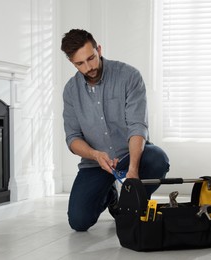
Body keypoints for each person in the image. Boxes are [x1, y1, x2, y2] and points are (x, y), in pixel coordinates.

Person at [61, 29, 170, 232]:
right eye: (80, 64)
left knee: (158, 159)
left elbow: (138, 125)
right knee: (79, 221)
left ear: (99, 49)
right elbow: (73, 138)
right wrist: (95, 155)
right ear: (72, 63)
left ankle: (129, 203)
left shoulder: (128, 76)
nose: (88, 67)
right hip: (96, 164)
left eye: (91, 58)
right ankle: (111, 194)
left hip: (131, 154)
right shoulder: (70, 91)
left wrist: (134, 169)